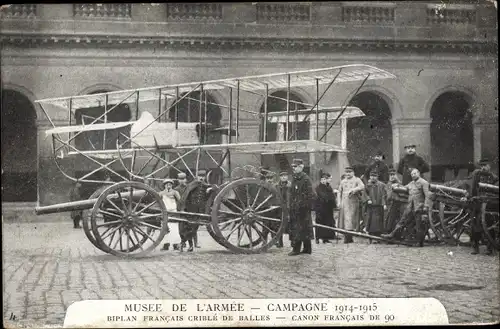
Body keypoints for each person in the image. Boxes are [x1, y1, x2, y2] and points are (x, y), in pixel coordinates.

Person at [382, 168, 431, 247]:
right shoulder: (411, 183)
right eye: (412, 174)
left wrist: (426, 206)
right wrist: (396, 185)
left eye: (415, 173)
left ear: (418, 173)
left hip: (419, 207)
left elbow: (427, 195)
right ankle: (392, 234)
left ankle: (420, 242)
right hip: (410, 207)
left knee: (419, 225)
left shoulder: (424, 183)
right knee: (402, 221)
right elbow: (404, 188)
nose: (413, 175)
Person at [468, 158, 498, 255]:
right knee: (475, 225)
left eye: (486, 165)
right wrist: (472, 198)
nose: (484, 167)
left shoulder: (493, 177)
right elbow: (473, 188)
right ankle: (475, 246)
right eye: (482, 166)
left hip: (489, 204)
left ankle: (490, 247)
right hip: (477, 202)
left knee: (489, 224)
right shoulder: (477, 174)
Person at [179, 170, 212, 252]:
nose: (201, 178)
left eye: (203, 176)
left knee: (194, 228)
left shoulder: (205, 185)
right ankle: (187, 244)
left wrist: (209, 189)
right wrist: (183, 208)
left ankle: (185, 244)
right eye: (200, 176)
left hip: (200, 210)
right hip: (191, 208)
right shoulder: (192, 184)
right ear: (197, 176)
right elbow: (185, 196)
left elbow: (213, 188)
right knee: (190, 227)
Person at [288, 158, 315, 256]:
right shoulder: (295, 178)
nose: (293, 168)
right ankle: (306, 249)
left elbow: (311, 194)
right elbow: (292, 193)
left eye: (295, 166)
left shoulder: (305, 179)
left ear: (301, 167)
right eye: (293, 167)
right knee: (301, 229)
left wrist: (303, 205)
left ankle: (297, 249)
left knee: (301, 229)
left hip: (302, 209)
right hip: (295, 208)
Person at [338, 166, 365, 243]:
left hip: (353, 202)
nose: (348, 174)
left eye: (350, 172)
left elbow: (362, 186)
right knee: (346, 219)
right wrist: (339, 202)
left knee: (352, 219)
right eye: (346, 172)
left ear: (353, 172)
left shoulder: (357, 180)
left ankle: (349, 236)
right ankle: (347, 237)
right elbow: (339, 191)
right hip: (345, 202)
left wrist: (354, 189)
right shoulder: (343, 181)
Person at [363, 170, 387, 242]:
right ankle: (371, 237)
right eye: (371, 176)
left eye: (374, 176)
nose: (373, 178)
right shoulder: (368, 185)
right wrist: (368, 199)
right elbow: (365, 193)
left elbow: (384, 195)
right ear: (370, 177)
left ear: (377, 177)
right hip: (371, 206)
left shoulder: (382, 185)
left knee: (379, 221)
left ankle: (378, 237)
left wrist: (384, 204)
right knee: (371, 221)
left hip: (379, 206)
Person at [159, 178, 181, 251]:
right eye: (167, 184)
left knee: (174, 228)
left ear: (172, 185)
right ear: (164, 185)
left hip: (173, 212)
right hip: (165, 212)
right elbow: (158, 202)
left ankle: (176, 244)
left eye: (170, 184)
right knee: (164, 228)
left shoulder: (175, 192)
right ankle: (166, 244)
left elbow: (180, 201)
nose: (168, 186)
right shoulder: (161, 193)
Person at [314, 172, 336, 244]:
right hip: (320, 208)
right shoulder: (318, 187)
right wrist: (330, 197)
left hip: (327, 208)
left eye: (325, 179)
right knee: (319, 222)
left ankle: (325, 238)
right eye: (322, 179)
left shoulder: (329, 187)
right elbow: (323, 196)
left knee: (327, 222)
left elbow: (332, 197)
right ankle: (317, 238)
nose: (324, 181)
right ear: (320, 180)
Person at [384, 166, 407, 234]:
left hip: (397, 203)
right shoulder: (388, 184)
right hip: (389, 203)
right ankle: (388, 231)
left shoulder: (399, 184)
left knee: (394, 219)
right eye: (390, 175)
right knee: (388, 218)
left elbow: (403, 194)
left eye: (393, 175)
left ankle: (394, 233)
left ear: (396, 175)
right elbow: (385, 195)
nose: (392, 176)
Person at [276, 171, 291, 247]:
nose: (283, 177)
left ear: (287, 177)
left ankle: (293, 242)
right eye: (282, 176)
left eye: (285, 176)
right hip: (280, 208)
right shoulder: (277, 186)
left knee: (291, 225)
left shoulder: (290, 185)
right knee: (279, 225)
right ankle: (280, 242)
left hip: (288, 207)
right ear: (280, 177)